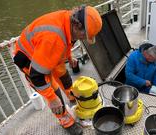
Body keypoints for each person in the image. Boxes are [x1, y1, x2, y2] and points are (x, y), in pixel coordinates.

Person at [13, 5, 102, 135]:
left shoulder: (68, 19)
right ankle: (66, 121)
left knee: (64, 76)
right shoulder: (53, 39)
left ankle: (72, 96)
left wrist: (69, 57)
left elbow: (68, 40)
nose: (84, 39)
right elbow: (36, 76)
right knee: (54, 93)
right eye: (85, 35)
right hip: (31, 61)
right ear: (77, 26)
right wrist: (52, 99)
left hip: (48, 51)